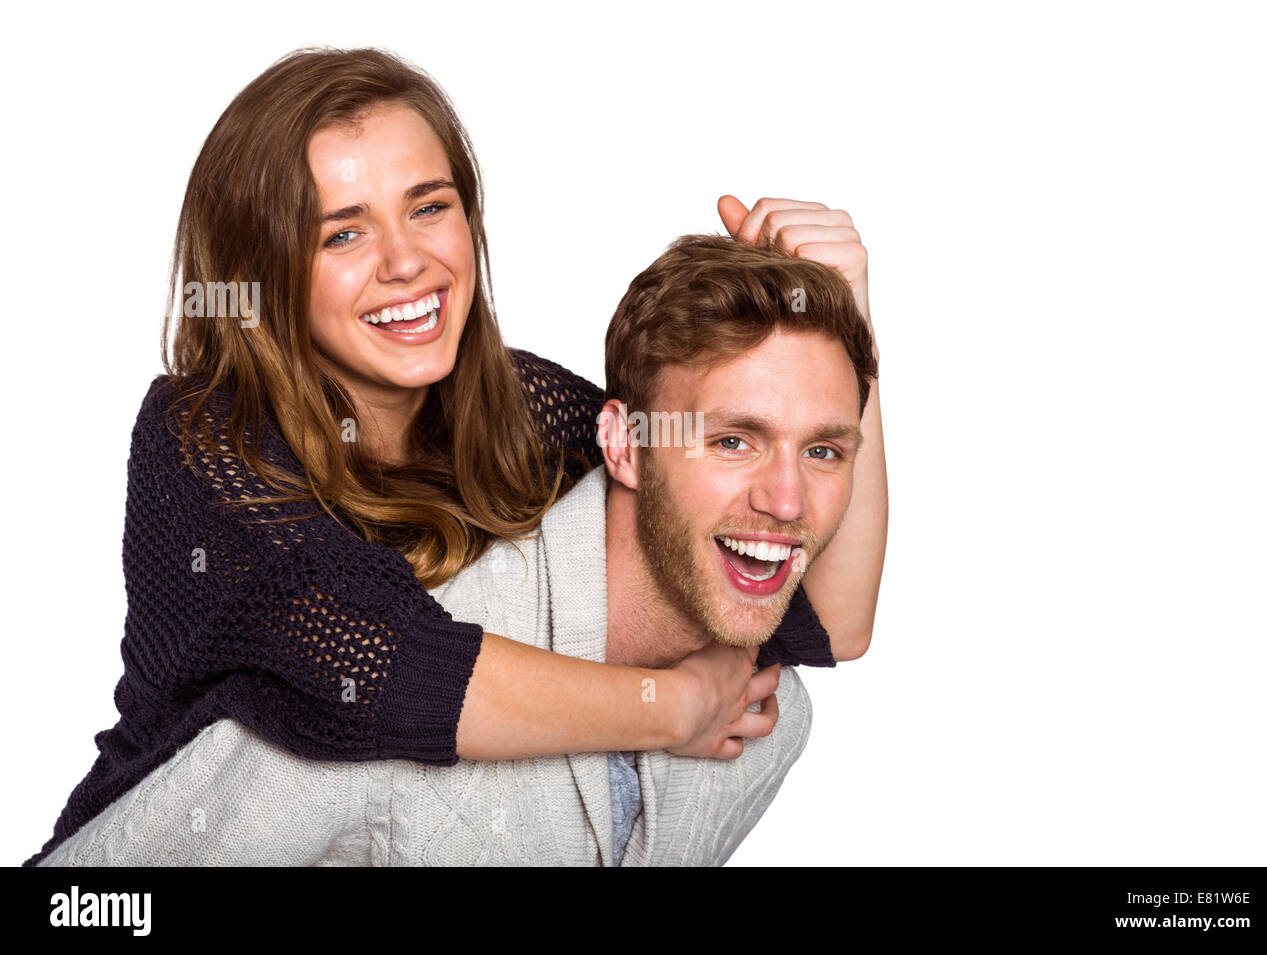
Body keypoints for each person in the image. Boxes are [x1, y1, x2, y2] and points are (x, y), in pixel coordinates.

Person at [25, 46, 885, 866]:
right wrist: (672, 708)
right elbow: (389, 673)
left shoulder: (518, 403)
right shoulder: (203, 436)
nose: (407, 262)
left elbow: (821, 613)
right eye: (342, 235)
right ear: (264, 272)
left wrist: (846, 321)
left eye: (429, 206)